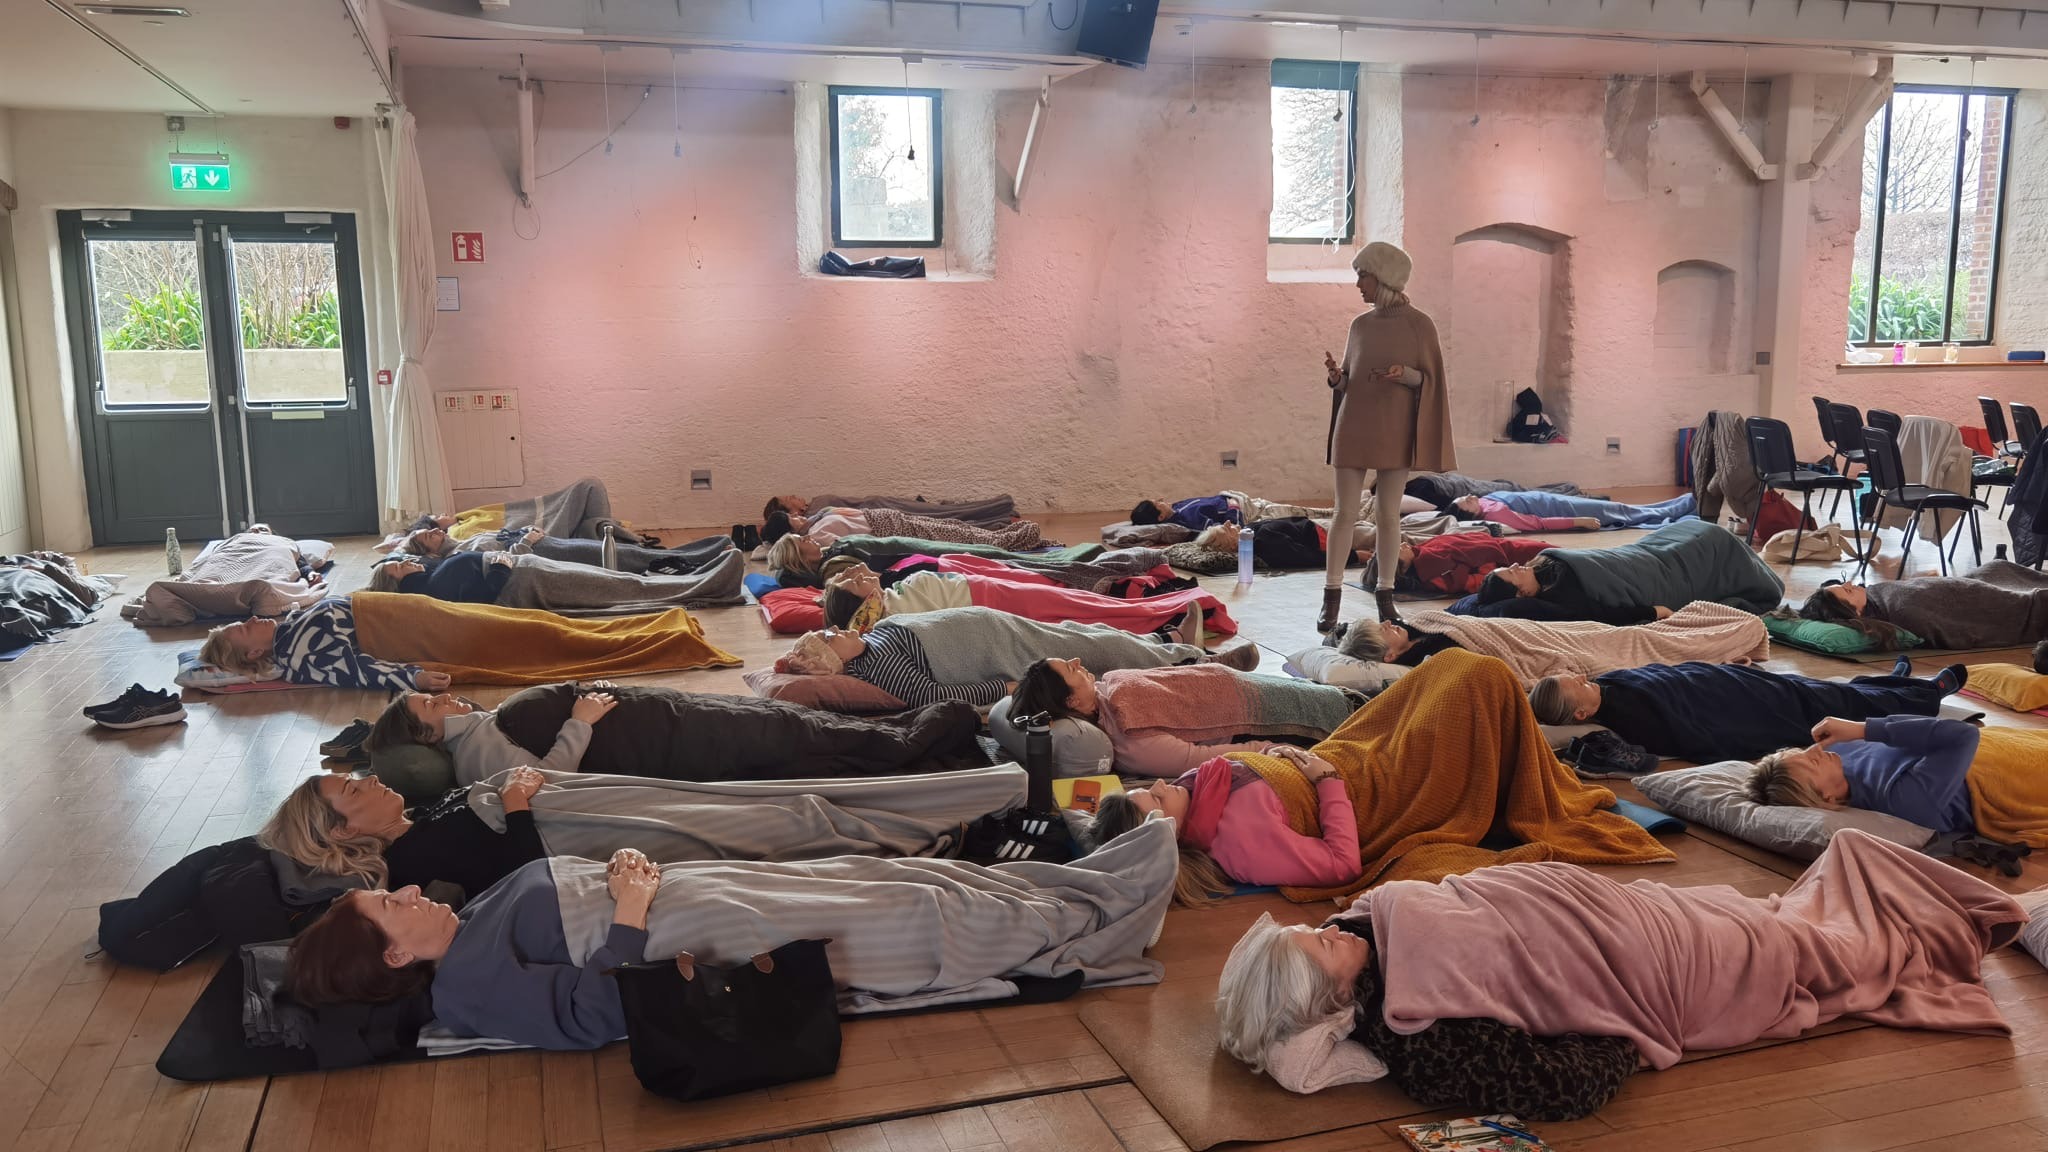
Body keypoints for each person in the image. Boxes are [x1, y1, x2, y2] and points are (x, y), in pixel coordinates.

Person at [1215, 830, 2018, 1117]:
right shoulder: (1426, 1037)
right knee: (1850, 938)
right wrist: (1624, 1031)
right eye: (1320, 946)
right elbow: (1562, 1090)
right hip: (1670, 967)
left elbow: (1468, 895)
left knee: (1820, 879)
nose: (1328, 925)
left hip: (1645, 915)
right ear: (1334, 999)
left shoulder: (1363, 918)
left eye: (1310, 926)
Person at [283, 819, 1180, 1048]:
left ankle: (1087, 878)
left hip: (708, 892)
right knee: (912, 914)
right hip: (708, 930)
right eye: (389, 908)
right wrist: (632, 910)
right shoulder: (468, 990)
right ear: (395, 956)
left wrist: (625, 866)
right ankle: (1108, 902)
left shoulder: (467, 919)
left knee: (901, 873)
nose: (403, 890)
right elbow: (602, 1013)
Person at [1085, 650, 1670, 905]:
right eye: (1153, 799)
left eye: (1149, 787)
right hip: (1372, 789)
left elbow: (1239, 759)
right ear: (1163, 834)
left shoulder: (1197, 791)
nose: (1162, 787)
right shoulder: (1239, 846)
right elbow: (1341, 864)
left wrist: (1298, 756)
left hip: (1344, 754)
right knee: (1479, 678)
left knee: (1440, 668)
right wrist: (1323, 782)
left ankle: (1513, 732)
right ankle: (1514, 747)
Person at [258, 761, 1028, 903]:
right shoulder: (417, 862)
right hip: (602, 838)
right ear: (341, 829)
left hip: (606, 804)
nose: (375, 781)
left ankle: (996, 797)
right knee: (788, 825)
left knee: (793, 799)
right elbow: (518, 882)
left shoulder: (419, 819)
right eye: (355, 789)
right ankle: (959, 838)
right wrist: (521, 806)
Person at [363, 681, 983, 784]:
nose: (442, 697)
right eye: (428, 703)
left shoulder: (481, 728)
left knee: (805, 725)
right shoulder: (479, 752)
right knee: (800, 732)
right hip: (683, 739)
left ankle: (938, 728)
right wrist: (579, 723)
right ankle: (952, 723)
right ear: (426, 734)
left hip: (678, 721)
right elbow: (547, 780)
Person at [1319, 241, 1455, 632]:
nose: (1358, 285)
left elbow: (1430, 380)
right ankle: (1331, 598)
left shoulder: (1419, 324)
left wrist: (1404, 374)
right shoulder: (1359, 325)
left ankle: (1386, 596)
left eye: (1362, 276)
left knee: (1388, 515)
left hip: (1395, 428)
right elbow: (1349, 379)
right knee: (1344, 513)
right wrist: (1336, 379)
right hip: (1354, 424)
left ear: (1383, 277)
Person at [774, 606, 1241, 708]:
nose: (835, 629)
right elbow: (934, 695)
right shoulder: (874, 666)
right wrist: (1005, 687)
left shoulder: (873, 640)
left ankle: (1165, 641)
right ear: (833, 663)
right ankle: (1193, 661)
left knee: (1085, 632)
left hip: (998, 627)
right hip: (999, 648)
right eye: (829, 637)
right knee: (1097, 651)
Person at [1527, 660, 1964, 763]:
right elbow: (1691, 734)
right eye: (1577, 685)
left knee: (1819, 687)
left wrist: (1725, 668)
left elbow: (1673, 674)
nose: (1585, 678)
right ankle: (1927, 695)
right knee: (1827, 703)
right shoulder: (1630, 717)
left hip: (1734, 682)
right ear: (1579, 715)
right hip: (1748, 709)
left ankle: (1894, 682)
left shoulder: (1610, 683)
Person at [1005, 659, 1361, 779]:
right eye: (1071, 669)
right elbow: (1208, 759)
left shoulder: (1104, 692)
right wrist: (1276, 748)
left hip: (1247, 684)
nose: (1079, 662)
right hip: (1281, 716)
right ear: (1071, 700)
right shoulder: (1133, 741)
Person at [1746, 715, 2048, 849]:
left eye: (1803, 752)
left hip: (2004, 744)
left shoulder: (1838, 756)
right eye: (1811, 762)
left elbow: (1907, 721)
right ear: (1826, 798)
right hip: (2016, 776)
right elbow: (1963, 734)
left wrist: (1863, 730)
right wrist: (1864, 728)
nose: (1815, 750)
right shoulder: (1902, 799)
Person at [819, 559, 1235, 642]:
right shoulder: (880, 620)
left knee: (1080, 605)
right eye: (848, 581)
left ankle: (1168, 616)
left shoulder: (889, 596)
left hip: (990, 592)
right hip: (995, 605)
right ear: (857, 606)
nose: (855, 574)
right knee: (1083, 612)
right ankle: (1170, 617)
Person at [1465, 521, 1783, 623]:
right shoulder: (1561, 598)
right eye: (1513, 574)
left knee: (1692, 528)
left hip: (1640, 553)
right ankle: (1762, 582)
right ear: (1523, 593)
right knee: (1713, 541)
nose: (1518, 567)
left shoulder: (1542, 565)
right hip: (1658, 572)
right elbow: (1602, 614)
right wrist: (1652, 610)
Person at [366, 548, 743, 614]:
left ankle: (701, 575)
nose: (408, 562)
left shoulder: (433, 576)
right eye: (400, 567)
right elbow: (481, 601)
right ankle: (713, 584)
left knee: (618, 578)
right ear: (395, 585)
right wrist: (499, 566)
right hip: (527, 582)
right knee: (625, 588)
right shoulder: (434, 591)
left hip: (528, 569)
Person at [1794, 561, 2048, 651]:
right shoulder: (1902, 611)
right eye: (1847, 591)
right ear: (1854, 614)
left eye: (1844, 582)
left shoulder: (1878, 596)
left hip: (1974, 585)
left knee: (1995, 568)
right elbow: (1958, 623)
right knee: (2034, 598)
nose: (1851, 583)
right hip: (2005, 604)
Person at [200, 602, 452, 692]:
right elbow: (355, 671)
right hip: (403, 626)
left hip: (397, 608)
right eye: (246, 628)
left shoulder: (289, 628)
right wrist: (414, 678)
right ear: (254, 653)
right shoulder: (297, 654)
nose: (253, 619)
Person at [403, 525, 732, 577]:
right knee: (628, 559)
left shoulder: (464, 540)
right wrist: (528, 540)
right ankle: (709, 557)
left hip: (550, 544)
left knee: (621, 550)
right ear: (429, 552)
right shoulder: (461, 554)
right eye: (427, 536)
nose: (434, 531)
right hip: (547, 554)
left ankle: (711, 549)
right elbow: (509, 559)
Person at [764, 508, 1044, 553]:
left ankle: (1010, 536)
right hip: (894, 529)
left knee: (954, 526)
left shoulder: (817, 520)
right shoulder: (817, 536)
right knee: (962, 536)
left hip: (894, 519)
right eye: (791, 517)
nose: (797, 515)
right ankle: (1013, 539)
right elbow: (855, 544)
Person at [1440, 490, 1697, 533]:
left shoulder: (1486, 502)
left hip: (1554, 499)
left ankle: (1675, 505)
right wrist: (1578, 521)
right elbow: (1538, 523)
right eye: (1468, 502)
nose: (1472, 497)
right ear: (1472, 515)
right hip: (1560, 508)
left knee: (1618, 508)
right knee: (1617, 511)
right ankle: (1683, 505)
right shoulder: (1496, 516)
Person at [765, 492, 1017, 529]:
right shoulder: (817, 512)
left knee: (940, 514)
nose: (795, 495)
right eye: (790, 498)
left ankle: (1000, 512)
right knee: (940, 518)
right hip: (881, 512)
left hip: (881, 506)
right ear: (791, 511)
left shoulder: (817, 507)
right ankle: (1000, 514)